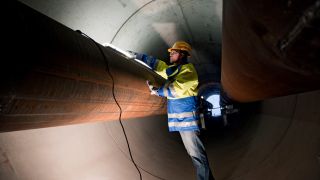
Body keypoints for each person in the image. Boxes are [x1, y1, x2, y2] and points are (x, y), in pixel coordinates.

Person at [129, 41, 215, 180]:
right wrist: (138, 56)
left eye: (173, 53)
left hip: (188, 122)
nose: (170, 55)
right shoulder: (175, 70)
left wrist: (157, 91)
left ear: (182, 54)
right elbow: (159, 65)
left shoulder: (188, 72)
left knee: (197, 155)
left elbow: (175, 90)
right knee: (194, 154)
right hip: (182, 122)